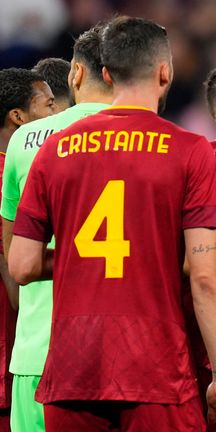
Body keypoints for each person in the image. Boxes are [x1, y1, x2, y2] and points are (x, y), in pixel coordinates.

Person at [7, 16, 216, 431]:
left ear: (107, 74)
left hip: (71, 368)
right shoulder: (190, 150)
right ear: (165, 72)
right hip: (156, 367)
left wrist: (82, 258)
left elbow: (21, 266)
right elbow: (204, 275)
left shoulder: (53, 149)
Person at [1, 24, 112, 432]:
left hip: (36, 347)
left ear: (75, 74)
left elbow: (15, 260)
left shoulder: (25, 140)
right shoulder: (162, 140)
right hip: (120, 354)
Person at [0, 67, 55, 432]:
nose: (57, 115)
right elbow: (17, 289)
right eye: (49, 105)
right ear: (19, 116)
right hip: (13, 356)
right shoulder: (13, 174)